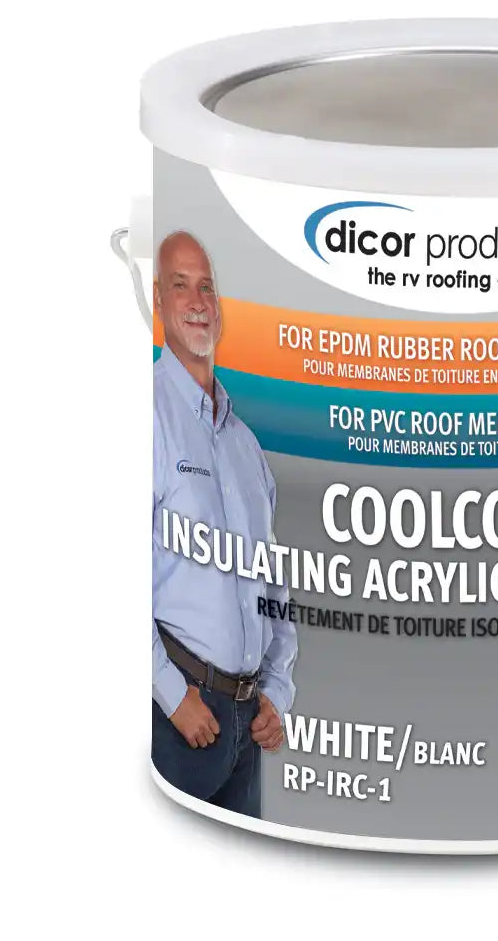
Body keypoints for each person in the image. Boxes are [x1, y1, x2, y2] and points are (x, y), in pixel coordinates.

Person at [151, 230, 297, 818]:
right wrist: (168, 693)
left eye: (207, 288)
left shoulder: (246, 446)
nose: (197, 302)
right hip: (177, 716)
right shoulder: (146, 416)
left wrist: (278, 692)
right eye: (180, 285)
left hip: (247, 725)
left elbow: (275, 584)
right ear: (157, 300)